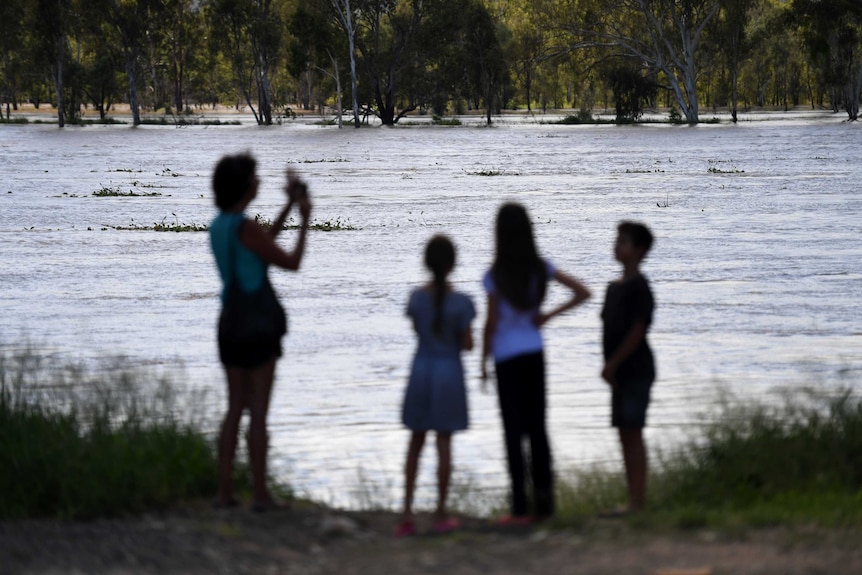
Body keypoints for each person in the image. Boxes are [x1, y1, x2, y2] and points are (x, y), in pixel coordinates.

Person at [210, 153, 311, 511]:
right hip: (256, 326)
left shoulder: (221, 224)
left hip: (229, 323)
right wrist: (305, 218)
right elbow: (291, 263)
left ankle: (224, 493)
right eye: (254, 178)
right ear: (243, 186)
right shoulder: (245, 227)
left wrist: (287, 206)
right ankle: (261, 495)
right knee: (259, 412)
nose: (259, 182)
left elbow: (261, 244)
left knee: (235, 408)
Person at [481, 203, 591, 524]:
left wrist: (483, 363)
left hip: (506, 357)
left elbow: (489, 324)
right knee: (538, 429)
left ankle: (519, 508)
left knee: (513, 432)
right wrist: (547, 315)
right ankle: (546, 505)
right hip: (535, 353)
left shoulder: (495, 275)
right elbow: (582, 292)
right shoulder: (540, 268)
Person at [397, 235, 476, 536]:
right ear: (453, 263)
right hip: (448, 373)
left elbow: (418, 329)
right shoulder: (463, 303)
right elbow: (467, 344)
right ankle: (440, 512)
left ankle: (406, 512)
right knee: (444, 442)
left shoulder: (416, 298)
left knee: (416, 442)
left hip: (421, 369)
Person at [600, 221, 655, 514]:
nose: (616, 245)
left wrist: (614, 363)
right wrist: (610, 368)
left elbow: (638, 331)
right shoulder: (613, 288)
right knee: (624, 432)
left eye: (623, 241)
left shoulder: (640, 288)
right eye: (616, 240)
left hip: (635, 370)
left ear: (639, 250)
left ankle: (638, 502)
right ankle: (633, 500)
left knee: (633, 432)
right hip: (619, 373)